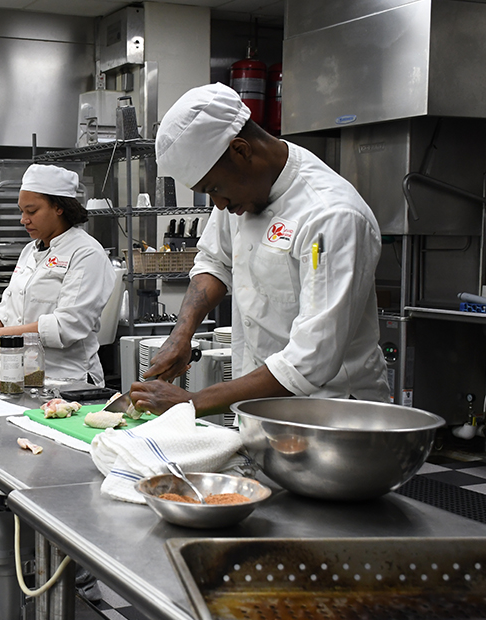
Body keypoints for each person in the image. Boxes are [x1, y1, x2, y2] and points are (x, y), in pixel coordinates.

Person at [131, 83, 389, 415]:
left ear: (241, 150)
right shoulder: (242, 192)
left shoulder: (331, 216)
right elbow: (214, 262)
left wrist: (191, 403)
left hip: (332, 416)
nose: (219, 205)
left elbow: (311, 359)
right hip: (259, 407)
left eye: (214, 189)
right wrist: (182, 336)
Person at [0, 164, 115, 385]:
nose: (23, 219)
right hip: (23, 375)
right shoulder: (30, 251)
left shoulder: (86, 253)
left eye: (32, 211)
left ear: (59, 207)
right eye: (22, 211)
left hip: (69, 380)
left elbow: (65, 326)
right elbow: (8, 311)